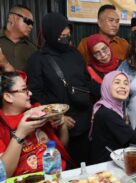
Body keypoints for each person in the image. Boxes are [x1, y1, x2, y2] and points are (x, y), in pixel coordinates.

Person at [27, 13, 91, 167]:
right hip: (56, 127)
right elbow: (36, 94)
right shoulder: (38, 59)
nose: (65, 40)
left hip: (83, 124)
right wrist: (58, 117)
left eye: (68, 36)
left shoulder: (74, 54)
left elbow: (86, 81)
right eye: (61, 36)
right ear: (50, 34)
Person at [0, 71, 72, 177]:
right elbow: (4, 174)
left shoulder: (39, 112)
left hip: (59, 172)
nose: (30, 93)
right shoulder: (2, 125)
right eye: (24, 90)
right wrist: (20, 134)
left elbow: (62, 146)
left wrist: (62, 124)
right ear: (8, 97)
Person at [88, 71, 136, 164]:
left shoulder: (106, 106)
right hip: (104, 166)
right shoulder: (107, 113)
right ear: (107, 86)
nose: (123, 86)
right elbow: (135, 139)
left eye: (126, 83)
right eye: (117, 82)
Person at [0, 5, 36, 71]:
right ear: (13, 18)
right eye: (28, 21)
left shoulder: (33, 49)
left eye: (32, 24)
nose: (31, 26)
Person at [86, 34, 120, 103]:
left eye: (104, 49)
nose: (103, 55)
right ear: (92, 55)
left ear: (109, 46)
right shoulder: (89, 71)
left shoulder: (122, 65)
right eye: (97, 53)